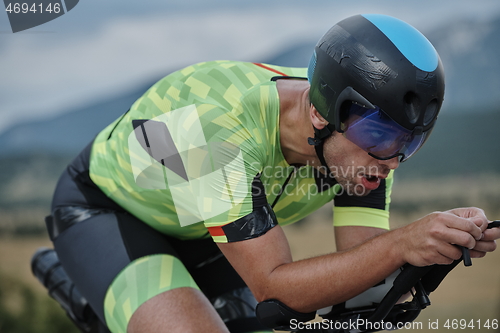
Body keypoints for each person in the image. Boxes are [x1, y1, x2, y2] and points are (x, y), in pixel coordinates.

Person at [45, 14, 499, 333]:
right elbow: (275, 287)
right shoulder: (216, 129)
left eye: (410, 142)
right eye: (382, 137)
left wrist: (429, 252)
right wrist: (401, 243)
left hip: (207, 229)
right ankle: (91, 297)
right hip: (111, 215)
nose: (393, 160)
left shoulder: (365, 142)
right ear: (322, 116)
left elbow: (361, 278)